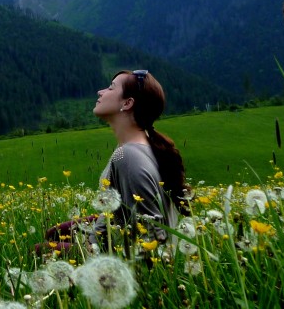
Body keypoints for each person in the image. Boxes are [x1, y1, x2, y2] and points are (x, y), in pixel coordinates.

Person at [40, 69, 190, 257]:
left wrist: (94, 251)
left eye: (111, 88)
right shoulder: (142, 146)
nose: (100, 92)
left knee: (40, 252)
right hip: (111, 236)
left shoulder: (127, 156)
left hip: (116, 255)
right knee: (55, 233)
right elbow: (122, 210)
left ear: (127, 103)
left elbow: (153, 233)